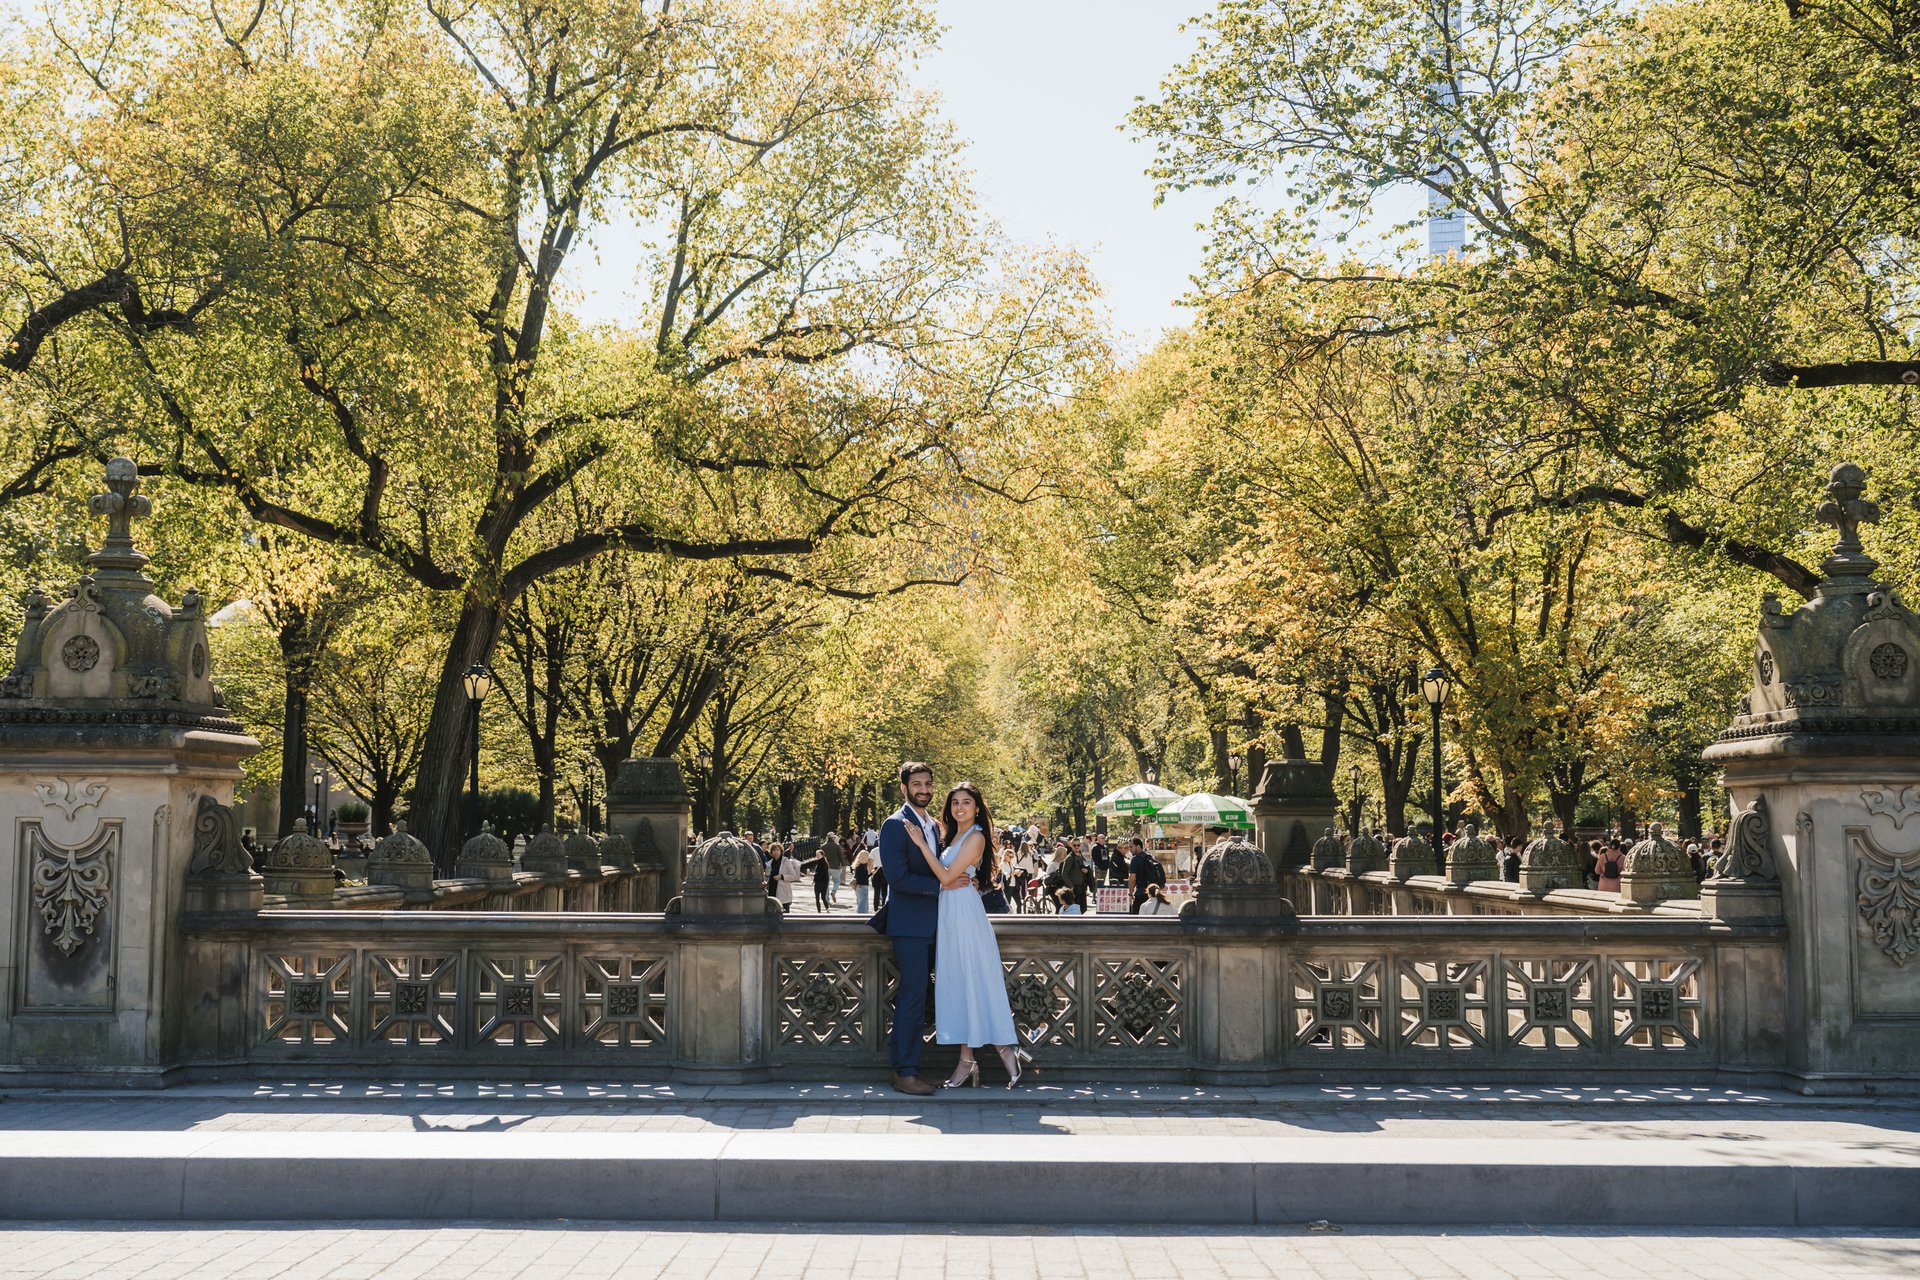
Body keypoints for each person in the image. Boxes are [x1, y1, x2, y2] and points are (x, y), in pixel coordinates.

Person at [898, 781, 1032, 1089]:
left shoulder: (976, 836)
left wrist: (921, 844)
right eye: (955, 802)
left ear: (976, 807)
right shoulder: (952, 835)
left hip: (964, 915)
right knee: (957, 983)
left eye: (966, 802)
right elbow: (949, 875)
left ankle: (1003, 1048)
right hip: (950, 912)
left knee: (972, 980)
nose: (960, 807)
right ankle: (969, 1058)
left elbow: (946, 877)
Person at [878, 761, 943, 1096]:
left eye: (928, 784)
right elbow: (898, 878)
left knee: (931, 996)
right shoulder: (894, 825)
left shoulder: (933, 826)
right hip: (909, 926)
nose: (924, 790)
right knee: (912, 997)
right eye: (917, 784)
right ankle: (904, 1072)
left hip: (938, 924)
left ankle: (921, 1067)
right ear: (904, 788)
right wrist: (942, 885)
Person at [1127, 837, 1162, 914]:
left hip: (1140, 893)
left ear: (1138, 846)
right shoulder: (1149, 857)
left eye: (1131, 847)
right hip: (1151, 894)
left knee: (1136, 917)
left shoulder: (1135, 860)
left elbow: (1132, 879)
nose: (1130, 849)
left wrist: (1130, 894)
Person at [800, 844, 832, 912]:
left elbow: (820, 873)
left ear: (822, 855)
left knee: (818, 898)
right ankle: (826, 909)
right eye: (816, 855)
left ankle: (819, 911)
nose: (817, 856)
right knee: (823, 897)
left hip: (820, 882)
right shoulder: (823, 862)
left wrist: (812, 874)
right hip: (824, 882)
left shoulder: (821, 863)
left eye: (818, 855)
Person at [851, 846, 873, 914]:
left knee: (861, 903)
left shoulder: (858, 866)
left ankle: (860, 916)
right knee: (863, 905)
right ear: (864, 858)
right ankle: (861, 917)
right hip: (862, 886)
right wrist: (871, 873)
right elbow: (863, 878)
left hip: (859, 886)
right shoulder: (861, 867)